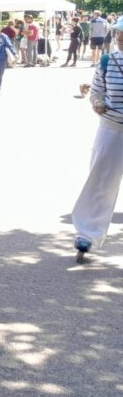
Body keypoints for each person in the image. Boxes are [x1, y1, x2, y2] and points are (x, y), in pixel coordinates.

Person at [71, 20, 123, 259]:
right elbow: (97, 91)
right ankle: (87, 233)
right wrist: (97, 102)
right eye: (118, 33)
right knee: (101, 181)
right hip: (112, 128)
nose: (119, 38)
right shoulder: (107, 61)